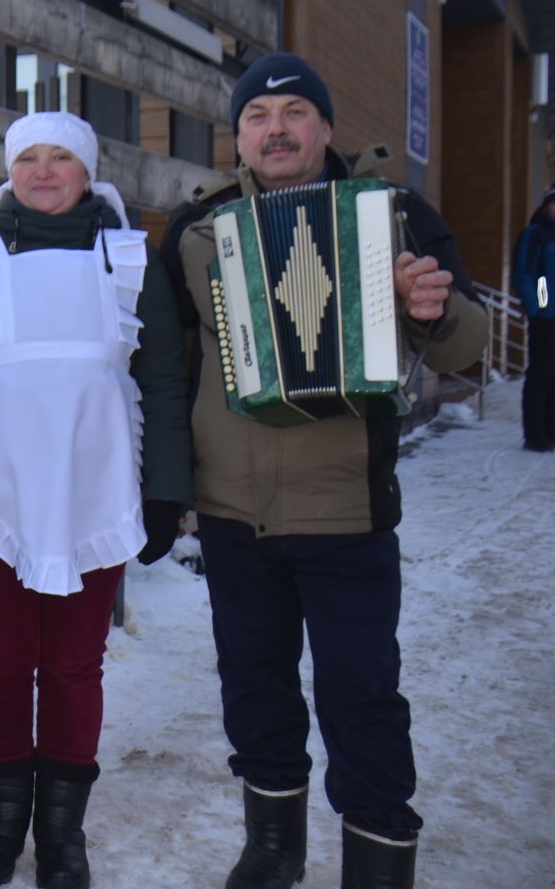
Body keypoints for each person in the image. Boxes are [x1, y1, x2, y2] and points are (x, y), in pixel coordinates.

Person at [161, 54, 487, 889]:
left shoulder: (395, 215)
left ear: (325, 128)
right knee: (254, 689)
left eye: (294, 112)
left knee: (362, 696)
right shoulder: (197, 231)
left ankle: (377, 861)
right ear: (239, 135)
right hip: (234, 513)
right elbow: (165, 367)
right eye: (258, 115)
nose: (276, 128)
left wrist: (433, 307)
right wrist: (168, 489)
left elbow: (469, 344)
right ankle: (274, 847)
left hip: (345, 512)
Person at [0, 110, 190, 889]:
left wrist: (164, 493)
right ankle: (2, 817)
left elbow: (166, 378)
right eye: (28, 160)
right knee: (3, 662)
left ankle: (61, 832)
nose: (43, 173)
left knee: (76, 666)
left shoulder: (132, 261)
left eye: (61, 159)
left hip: (95, 489)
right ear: (8, 172)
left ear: (88, 171)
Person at [512, 186, 555, 452]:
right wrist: (537, 307)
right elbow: (525, 273)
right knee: (540, 375)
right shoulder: (535, 234)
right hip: (545, 317)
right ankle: (535, 435)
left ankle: (551, 430)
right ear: (548, 205)